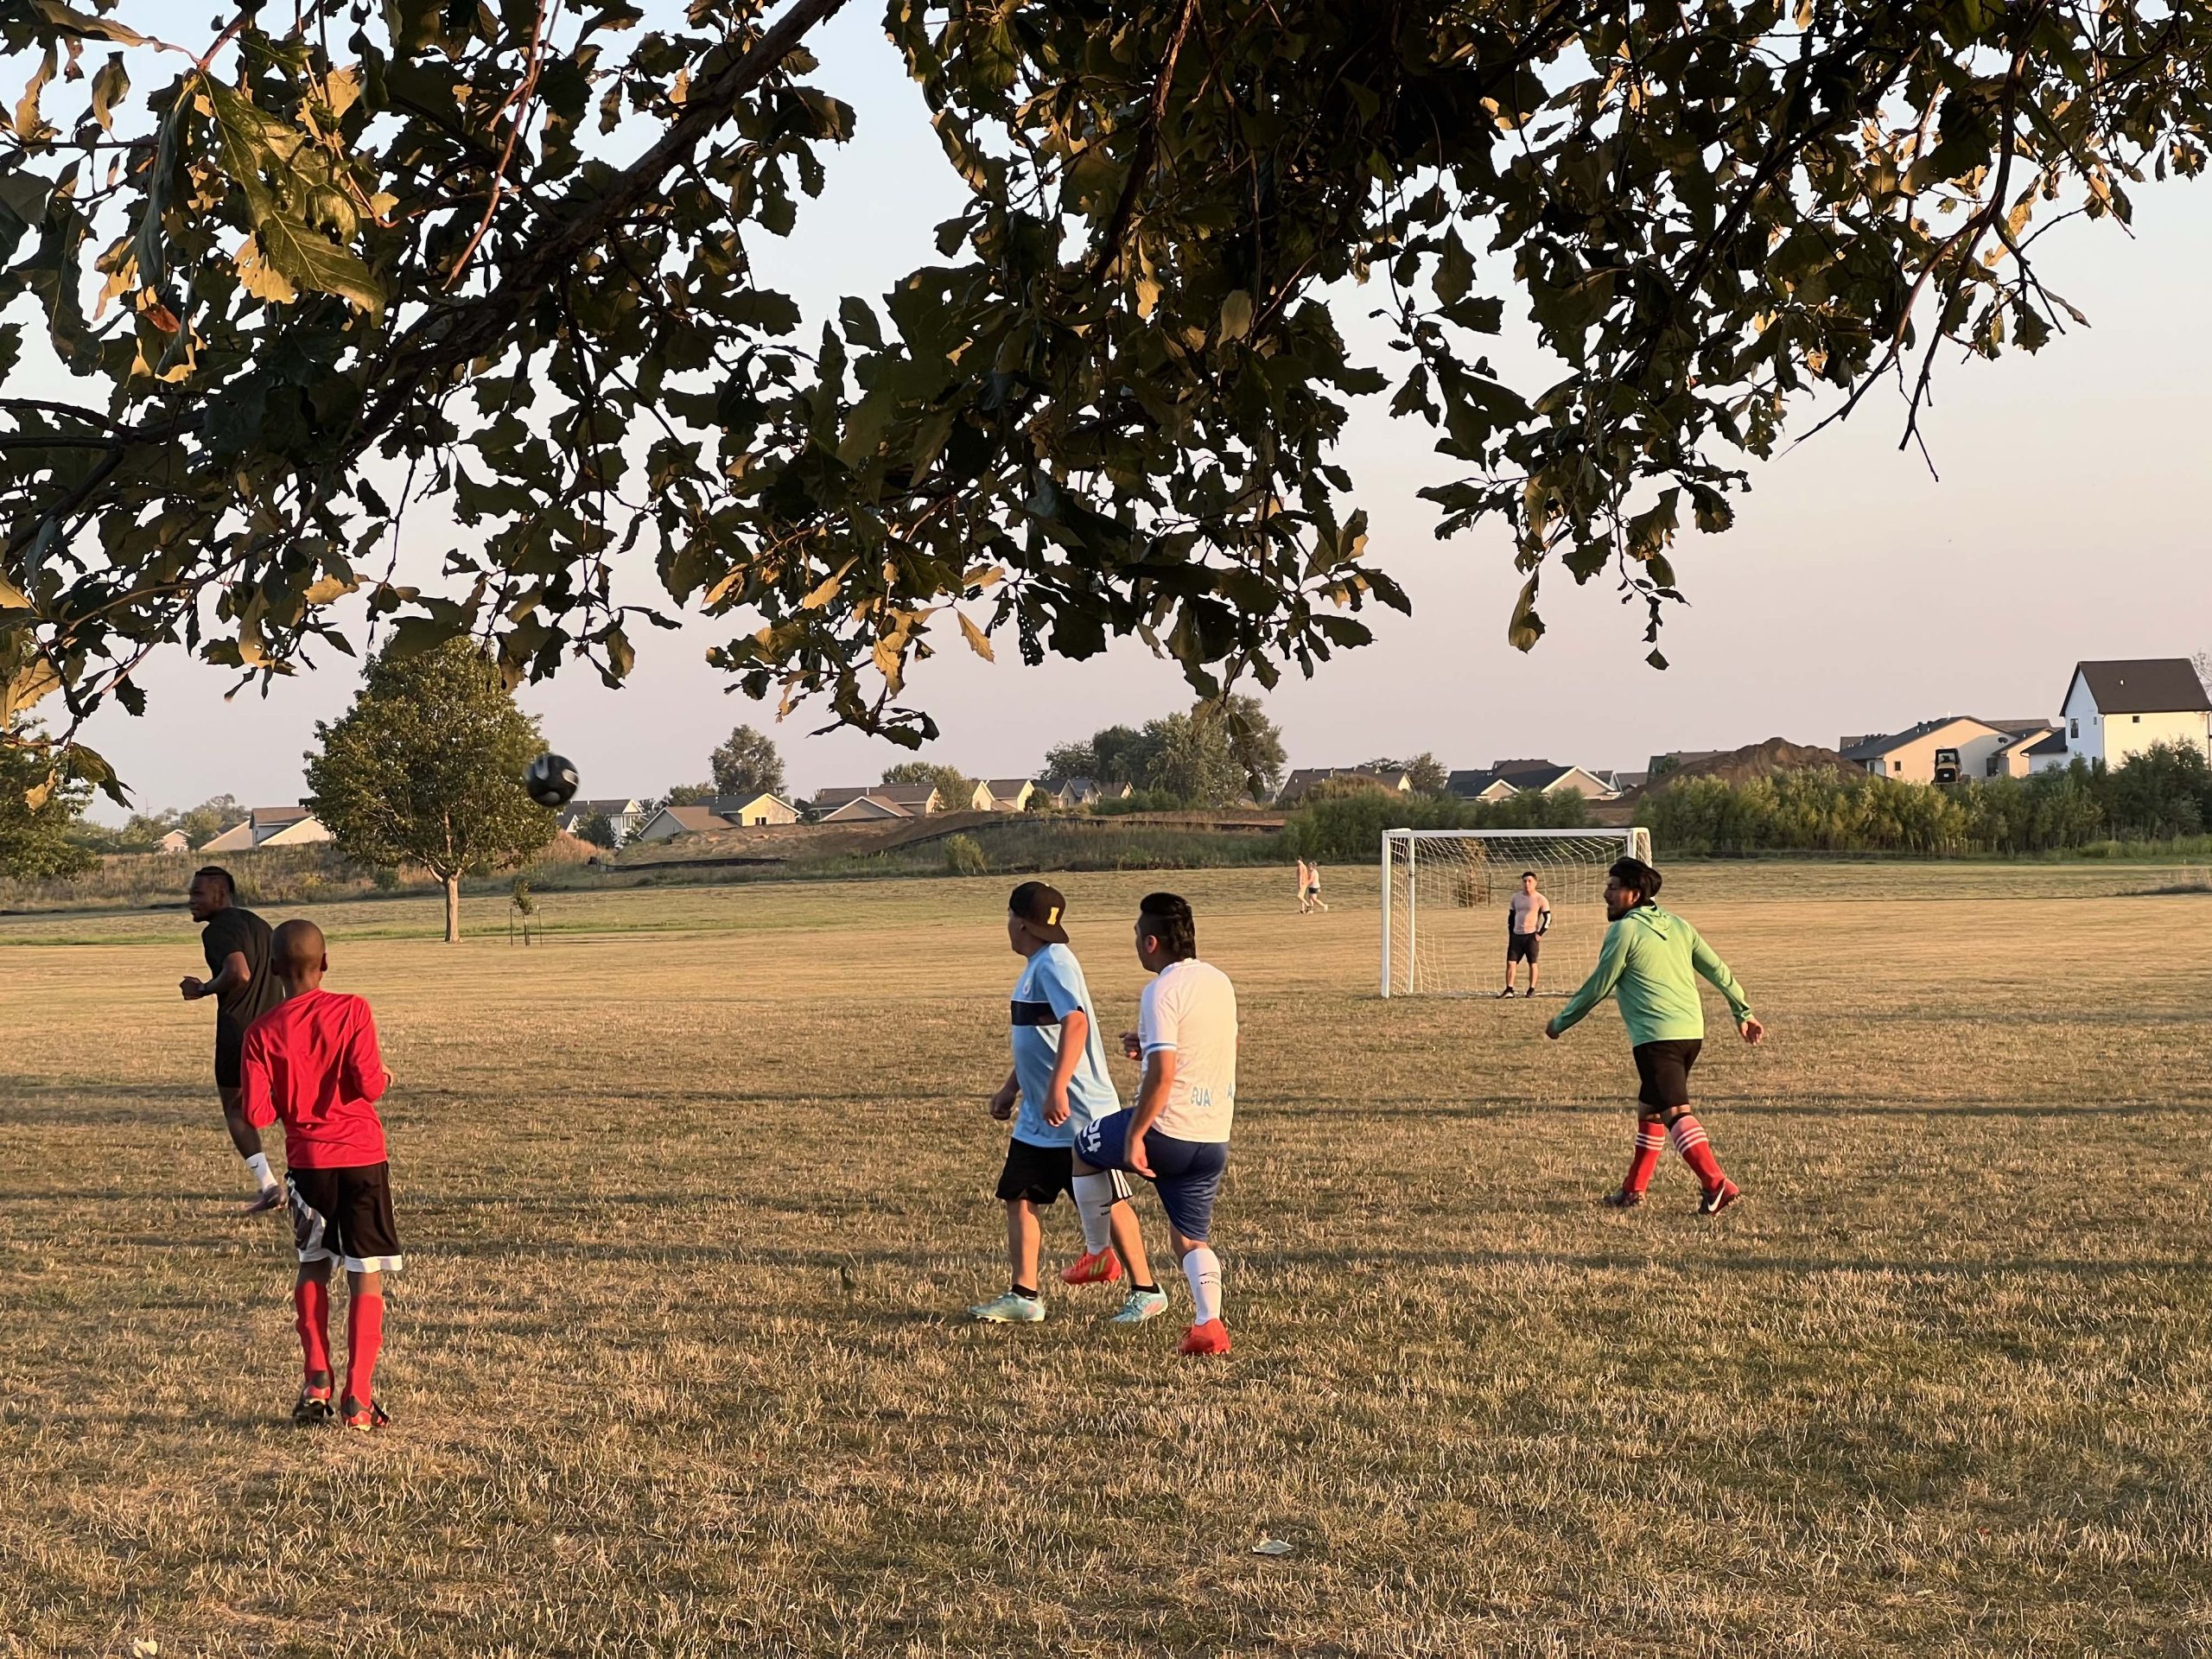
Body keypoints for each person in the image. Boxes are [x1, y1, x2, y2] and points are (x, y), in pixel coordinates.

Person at [970, 883, 1167, 1326]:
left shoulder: (1054, 963)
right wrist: (1011, 1088)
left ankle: (1147, 1290)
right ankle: (1025, 1295)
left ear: (1018, 922)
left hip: (1077, 1111)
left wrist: (1058, 1087)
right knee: (1019, 1194)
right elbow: (1039, 1042)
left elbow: (1074, 1025)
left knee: (1104, 1202)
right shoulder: (1038, 965)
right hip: (1040, 1117)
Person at [239, 918, 401, 1430]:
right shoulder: (353, 1009)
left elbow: (259, 1115)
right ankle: (358, 1395)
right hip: (362, 1159)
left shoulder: (260, 1032)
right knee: (364, 1272)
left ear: (272, 969)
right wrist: (385, 1077)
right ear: (325, 963)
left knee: (313, 1267)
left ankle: (316, 1382)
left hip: (308, 1165)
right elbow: (370, 1085)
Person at [1545, 857, 1763, 1213]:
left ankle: (1715, 1184)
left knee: (1675, 1111)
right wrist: (1743, 1010)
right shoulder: (1678, 925)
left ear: (1635, 893)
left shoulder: (1625, 930)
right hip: (1691, 1033)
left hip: (1656, 1036)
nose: (1606, 894)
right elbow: (1718, 969)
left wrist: (1561, 1022)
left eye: (1613, 888)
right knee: (1651, 1110)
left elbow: (1601, 983)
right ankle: (1633, 1190)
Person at [1074, 893, 1240, 1357]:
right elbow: (1220, 1045)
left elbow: (1165, 1074)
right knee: (1189, 1238)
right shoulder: (1218, 982)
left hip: (1167, 1129)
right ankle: (1209, 1324)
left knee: (1083, 1150)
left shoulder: (1160, 990)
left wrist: (1134, 1136)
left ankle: (1098, 1255)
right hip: (1211, 1135)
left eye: (1134, 937)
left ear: (1151, 943)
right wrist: (1146, 1041)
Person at [180, 867, 289, 1212]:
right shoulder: (260, 925)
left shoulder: (218, 930)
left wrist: (204, 988)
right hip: (279, 1029)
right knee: (292, 1105)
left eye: (198, 893)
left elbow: (238, 973)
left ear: (220, 895)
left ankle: (270, 1186)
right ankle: (312, 1179)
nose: (191, 901)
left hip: (239, 1032)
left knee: (236, 1110)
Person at [1499, 870, 1550, 996]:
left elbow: (1548, 918)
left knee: (1532, 962)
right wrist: (1511, 933)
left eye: (1529, 881)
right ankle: (1509, 989)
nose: (1527, 884)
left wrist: (1540, 933)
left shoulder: (1540, 899)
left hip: (1531, 936)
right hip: (1516, 935)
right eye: (1524, 881)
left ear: (1535, 883)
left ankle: (1531, 989)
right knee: (1511, 962)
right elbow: (1511, 917)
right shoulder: (1516, 898)